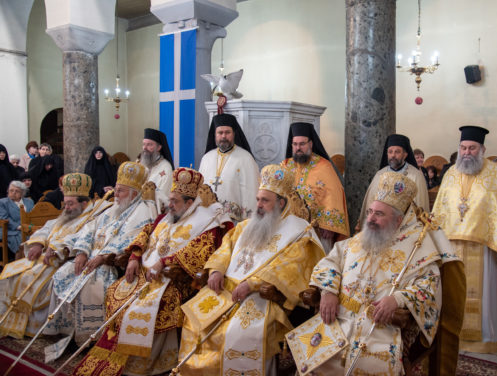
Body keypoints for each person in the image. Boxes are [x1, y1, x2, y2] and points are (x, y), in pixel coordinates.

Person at [72, 168, 233, 376]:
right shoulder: (166, 217)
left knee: (137, 310)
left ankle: (144, 364)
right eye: (170, 199)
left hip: (173, 280)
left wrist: (164, 263)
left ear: (189, 203)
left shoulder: (205, 223)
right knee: (114, 294)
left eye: (174, 201)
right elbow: (146, 232)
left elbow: (198, 252)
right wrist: (134, 256)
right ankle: (113, 358)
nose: (169, 205)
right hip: (144, 275)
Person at [304, 172, 462, 375]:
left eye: (379, 214)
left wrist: (398, 299)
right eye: (370, 211)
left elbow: (429, 288)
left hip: (380, 328)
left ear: (398, 220)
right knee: (312, 356)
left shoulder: (418, 248)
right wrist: (328, 291)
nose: (370, 219)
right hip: (339, 319)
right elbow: (330, 261)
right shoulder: (360, 239)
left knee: (368, 365)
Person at [178, 164, 324, 375]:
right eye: (258, 199)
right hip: (226, 289)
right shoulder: (245, 225)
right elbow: (226, 247)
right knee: (193, 321)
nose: (259, 205)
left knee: (235, 333)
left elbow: (293, 266)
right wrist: (217, 270)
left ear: (281, 203)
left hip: (261, 295)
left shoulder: (298, 230)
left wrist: (253, 283)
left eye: (265, 201)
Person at [44, 162, 156, 353]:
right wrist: (82, 252)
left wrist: (103, 257)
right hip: (90, 258)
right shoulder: (113, 208)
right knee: (62, 274)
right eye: (116, 189)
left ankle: (89, 339)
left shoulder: (144, 210)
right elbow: (89, 228)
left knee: (91, 286)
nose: (115, 194)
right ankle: (67, 332)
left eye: (120, 191)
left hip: (109, 264)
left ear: (133, 194)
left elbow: (133, 238)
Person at [432, 125, 497, 353]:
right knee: (453, 293)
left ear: (482, 150)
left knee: (485, 295)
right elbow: (439, 210)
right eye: (463, 147)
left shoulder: (496, 175)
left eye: (472, 148)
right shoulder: (450, 174)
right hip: (452, 246)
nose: (466, 152)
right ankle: (453, 336)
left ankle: (487, 339)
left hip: (484, 248)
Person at [0, 173, 103, 339]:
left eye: (70, 203)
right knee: (11, 275)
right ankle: (14, 321)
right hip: (44, 257)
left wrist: (56, 249)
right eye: (65, 203)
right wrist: (38, 243)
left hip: (62, 261)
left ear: (84, 203)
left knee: (28, 279)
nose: (66, 207)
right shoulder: (69, 213)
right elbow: (47, 227)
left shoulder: (94, 217)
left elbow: (81, 239)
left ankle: (34, 326)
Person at [281, 122, 349, 250]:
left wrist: (329, 226)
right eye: (295, 144)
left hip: (317, 230)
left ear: (311, 144)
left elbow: (334, 195)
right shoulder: (285, 165)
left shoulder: (324, 166)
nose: (298, 148)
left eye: (302, 144)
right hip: (290, 229)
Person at [358, 134, 430, 231]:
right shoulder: (380, 174)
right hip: (379, 227)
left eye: (397, 152)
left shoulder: (416, 176)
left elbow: (419, 207)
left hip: (404, 227)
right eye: (390, 152)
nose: (393, 155)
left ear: (405, 154)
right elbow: (370, 202)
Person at [199, 113, 259, 222]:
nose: (223, 136)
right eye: (220, 133)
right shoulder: (206, 158)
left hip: (234, 222)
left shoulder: (246, 158)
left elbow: (251, 192)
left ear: (234, 134)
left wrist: (247, 223)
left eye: (227, 132)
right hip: (208, 220)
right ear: (215, 134)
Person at [141, 128, 174, 213]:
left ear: (159, 147)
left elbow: (163, 197)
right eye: (144, 144)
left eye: (149, 145)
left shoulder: (166, 168)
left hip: (155, 211)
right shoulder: (141, 165)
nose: (145, 148)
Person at [0, 181, 34, 260]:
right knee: (21, 241)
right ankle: (19, 264)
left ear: (22, 193)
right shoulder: (2, 202)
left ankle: (32, 262)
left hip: (28, 228)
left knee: (38, 237)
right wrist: (18, 227)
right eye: (11, 190)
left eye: (17, 191)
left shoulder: (29, 201)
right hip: (9, 230)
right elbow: (4, 218)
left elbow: (33, 216)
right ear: (8, 191)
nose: (13, 193)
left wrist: (31, 226)